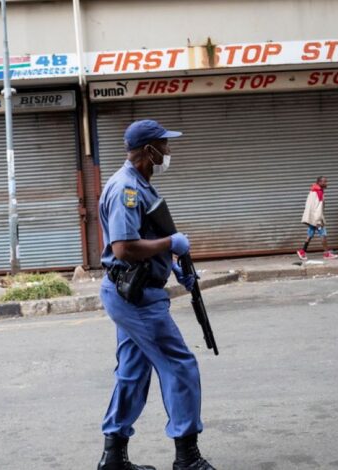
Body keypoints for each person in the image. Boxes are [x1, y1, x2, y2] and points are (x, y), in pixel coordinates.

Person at [97, 119, 216, 470]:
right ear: (148, 150)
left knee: (133, 372)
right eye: (164, 145)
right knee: (180, 365)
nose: (168, 151)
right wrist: (170, 243)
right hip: (136, 298)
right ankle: (187, 458)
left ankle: (113, 458)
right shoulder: (126, 189)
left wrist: (171, 263)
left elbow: (141, 239)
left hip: (135, 291)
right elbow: (123, 248)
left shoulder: (138, 184)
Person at [297, 176, 338, 261]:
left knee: (310, 234)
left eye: (326, 182)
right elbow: (318, 208)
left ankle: (302, 251)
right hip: (316, 218)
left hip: (312, 218)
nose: (326, 183)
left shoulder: (313, 191)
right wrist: (318, 220)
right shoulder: (319, 192)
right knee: (323, 235)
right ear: (319, 182)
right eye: (324, 182)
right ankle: (326, 254)